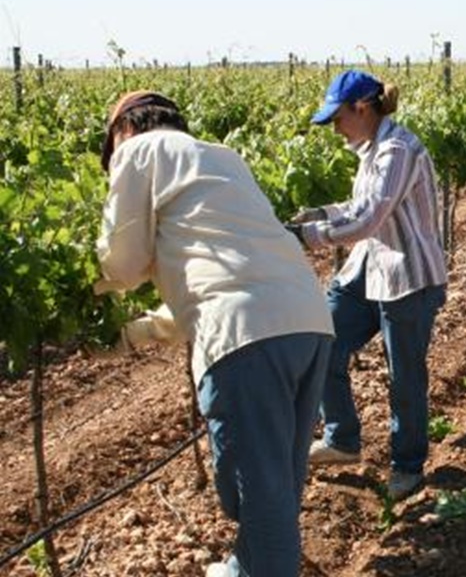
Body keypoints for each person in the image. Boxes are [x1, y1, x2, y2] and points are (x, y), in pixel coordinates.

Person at [95, 91, 335, 576]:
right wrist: (137, 333)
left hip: (246, 339)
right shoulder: (221, 157)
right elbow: (217, 275)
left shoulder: (137, 153)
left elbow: (122, 263)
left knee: (259, 499)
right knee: (275, 491)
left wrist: (83, 295)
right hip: (307, 323)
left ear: (124, 130)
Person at [285, 70, 447, 500]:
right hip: (368, 269)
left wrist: (307, 238)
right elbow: (358, 207)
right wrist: (317, 213)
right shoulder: (371, 150)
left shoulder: (397, 150)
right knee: (320, 343)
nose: (334, 129)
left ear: (362, 108)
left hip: (408, 277)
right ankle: (342, 439)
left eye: (337, 118)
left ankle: (408, 467)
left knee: (404, 377)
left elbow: (369, 218)